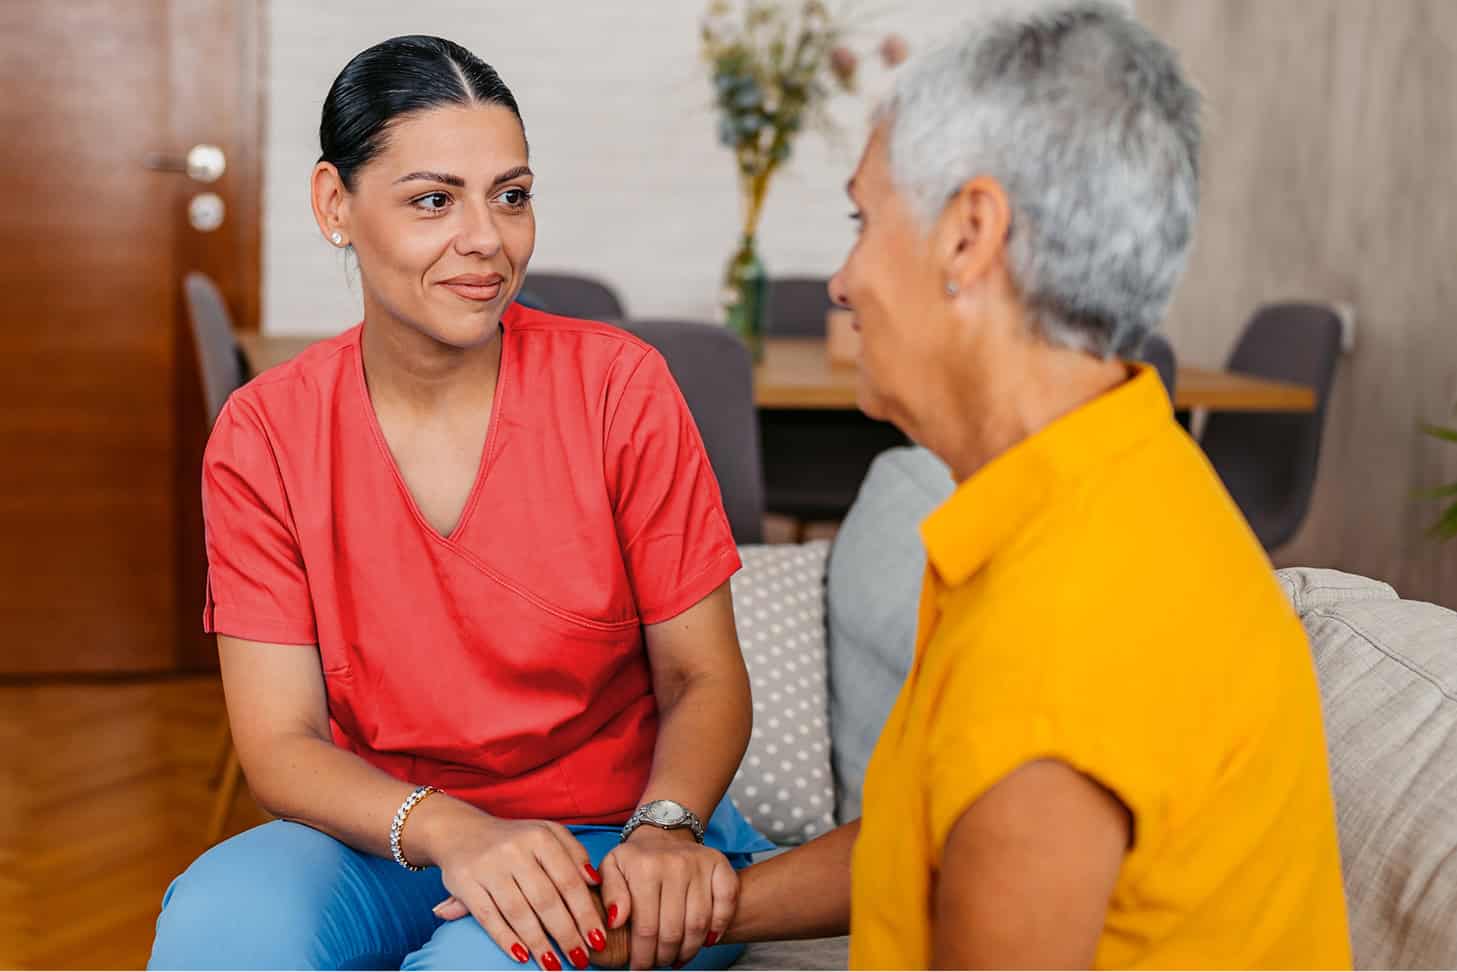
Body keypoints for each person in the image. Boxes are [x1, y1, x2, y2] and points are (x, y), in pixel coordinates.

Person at [720, 3, 1351, 968]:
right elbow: (938, 834)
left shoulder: (1064, 627)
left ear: (968, 235)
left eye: (863, 221)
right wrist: (709, 908)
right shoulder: (1101, 486)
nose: (841, 282)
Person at [149, 35, 771, 972]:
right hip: (391, 831)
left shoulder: (619, 388)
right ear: (334, 204)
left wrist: (667, 829)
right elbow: (278, 742)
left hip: (619, 832)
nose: (486, 238)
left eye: (510, 196)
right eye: (433, 200)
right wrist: (452, 831)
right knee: (221, 927)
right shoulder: (264, 431)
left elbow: (702, 677)